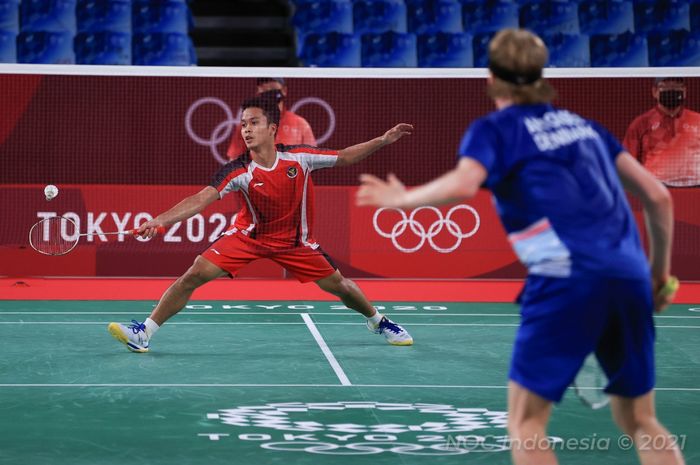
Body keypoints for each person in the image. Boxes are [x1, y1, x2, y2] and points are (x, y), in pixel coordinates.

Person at [357, 29, 684, 465]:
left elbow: (465, 182)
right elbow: (659, 197)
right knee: (642, 420)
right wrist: (657, 275)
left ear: (491, 79)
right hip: (627, 278)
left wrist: (404, 199)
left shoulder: (495, 130)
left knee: (527, 424)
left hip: (565, 278)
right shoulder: (586, 128)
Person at [108, 96, 414, 352]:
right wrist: (160, 221)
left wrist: (384, 140)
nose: (246, 129)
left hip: (294, 243)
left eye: (253, 123)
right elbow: (202, 198)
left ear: (272, 129)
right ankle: (143, 333)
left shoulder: (300, 158)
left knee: (341, 287)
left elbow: (345, 157)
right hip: (248, 237)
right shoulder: (239, 169)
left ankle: (378, 321)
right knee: (194, 274)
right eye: (242, 124)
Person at [623, 77, 700, 187]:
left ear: (684, 91)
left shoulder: (697, 120)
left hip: (696, 189)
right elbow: (627, 163)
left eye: (676, 86)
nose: (671, 90)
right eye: (665, 86)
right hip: (656, 189)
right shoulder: (641, 124)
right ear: (654, 91)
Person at [226, 77, 316, 160]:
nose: (268, 88)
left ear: (284, 90)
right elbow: (233, 162)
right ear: (258, 91)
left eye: (272, 83)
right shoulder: (247, 125)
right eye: (264, 84)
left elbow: (312, 161)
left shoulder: (301, 124)